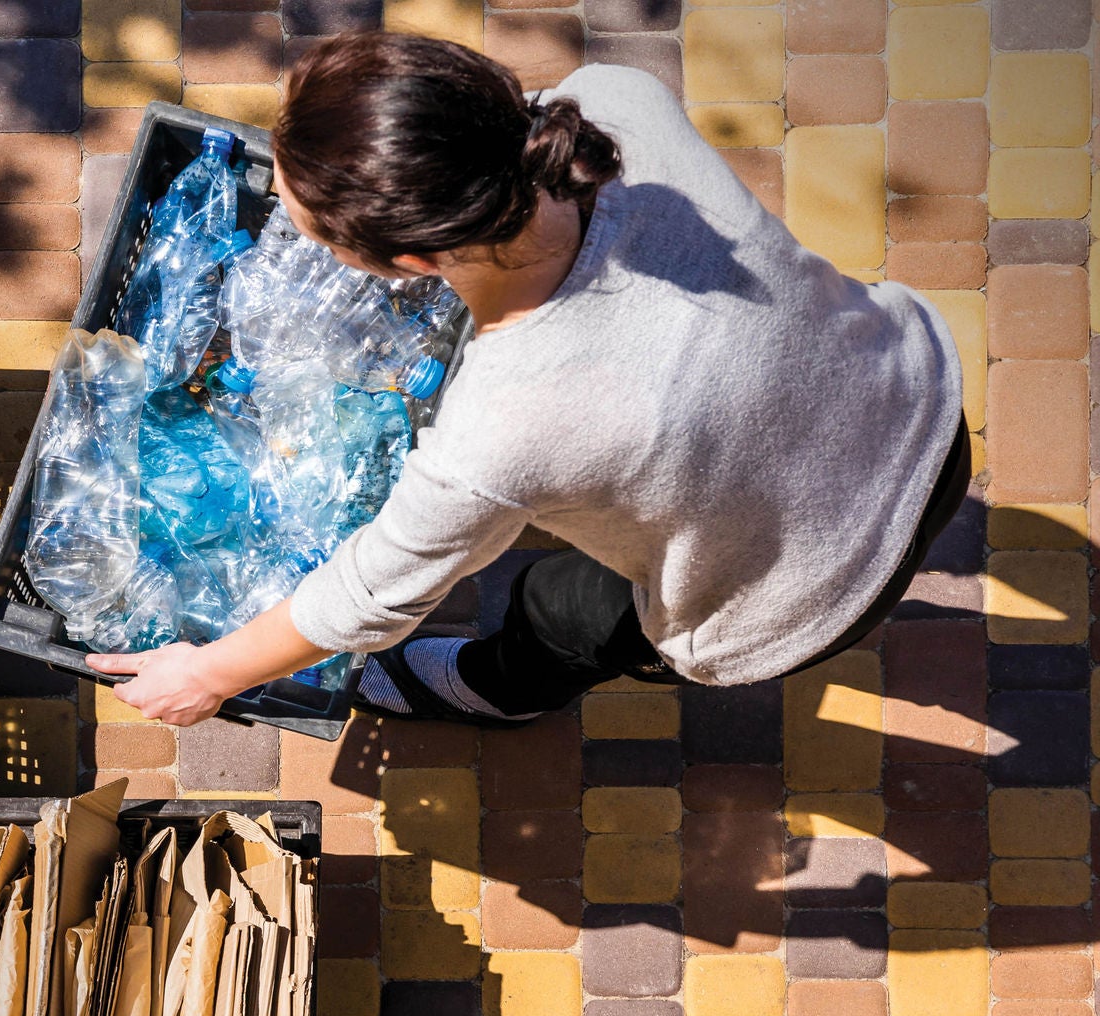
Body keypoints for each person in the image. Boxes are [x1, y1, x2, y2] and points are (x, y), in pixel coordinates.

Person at [86, 33, 967, 728]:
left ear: (413, 262)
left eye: (307, 225)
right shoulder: (617, 105)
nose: (285, 216)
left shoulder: (504, 425)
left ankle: (500, 692)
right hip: (911, 399)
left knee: (562, 610)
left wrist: (207, 673)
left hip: (803, 591)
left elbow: (369, 597)